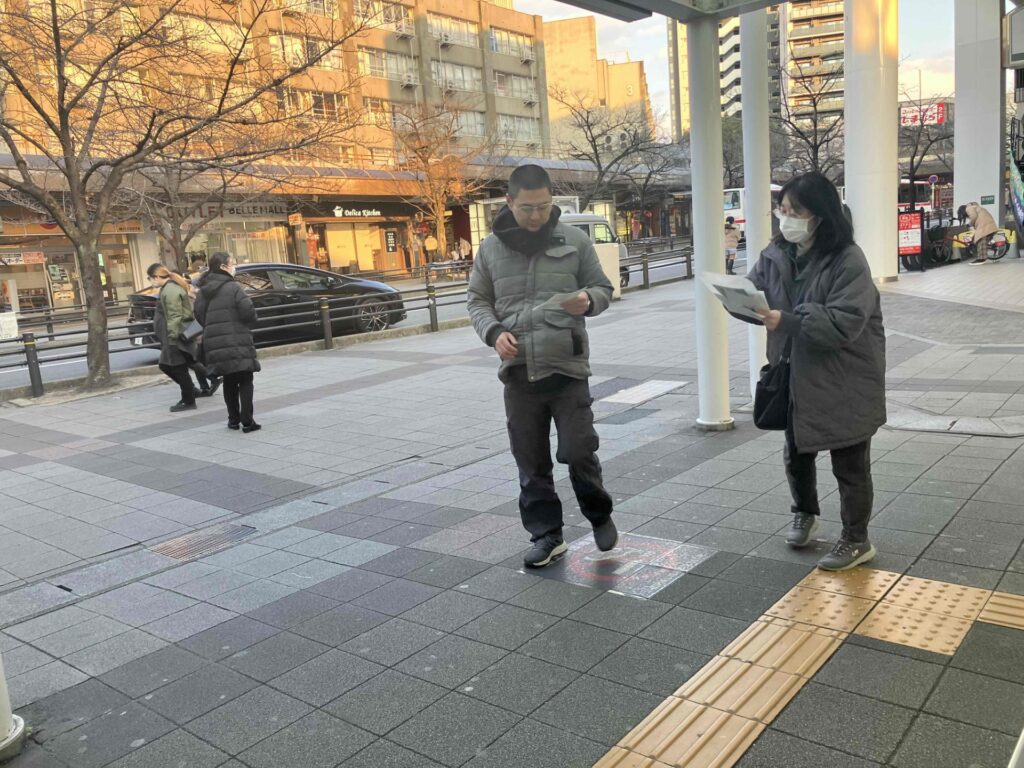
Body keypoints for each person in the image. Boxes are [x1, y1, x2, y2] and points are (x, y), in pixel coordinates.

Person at [467, 164, 617, 568]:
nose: (536, 216)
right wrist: (494, 332)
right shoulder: (490, 248)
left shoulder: (574, 240)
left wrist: (589, 300)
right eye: (527, 208)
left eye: (544, 207)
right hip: (518, 373)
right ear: (509, 202)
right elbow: (477, 301)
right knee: (531, 462)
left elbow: (603, 288)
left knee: (578, 450)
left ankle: (599, 514)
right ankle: (547, 536)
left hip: (567, 368)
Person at [742, 172, 886, 571]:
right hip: (793, 372)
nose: (785, 219)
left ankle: (856, 538)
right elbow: (756, 292)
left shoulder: (848, 259)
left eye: (796, 212)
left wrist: (786, 320)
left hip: (844, 377)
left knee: (850, 462)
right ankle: (804, 513)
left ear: (820, 215)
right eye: (782, 210)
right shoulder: (776, 253)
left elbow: (844, 322)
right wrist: (739, 301)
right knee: (797, 451)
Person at [194, 252, 262, 432]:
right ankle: (247, 421)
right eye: (232, 263)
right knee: (245, 379)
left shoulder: (203, 290)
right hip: (238, 339)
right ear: (223, 267)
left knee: (229, 380)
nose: (234, 267)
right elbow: (249, 313)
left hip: (215, 343)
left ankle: (233, 420)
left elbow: (199, 315)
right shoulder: (233, 288)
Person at [147, 264, 214, 411]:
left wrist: (172, 338)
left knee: (178, 368)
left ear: (156, 277)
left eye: (149, 278)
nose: (150, 281)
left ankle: (189, 400)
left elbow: (175, 316)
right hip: (174, 335)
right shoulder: (169, 288)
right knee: (169, 365)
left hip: (175, 336)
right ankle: (194, 391)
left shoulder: (170, 290)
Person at [963, 201, 998, 265]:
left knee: (981, 241)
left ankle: (981, 259)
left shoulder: (968, 208)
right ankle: (980, 256)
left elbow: (973, 216)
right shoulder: (978, 208)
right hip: (989, 225)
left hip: (985, 226)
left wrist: (969, 224)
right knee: (979, 240)